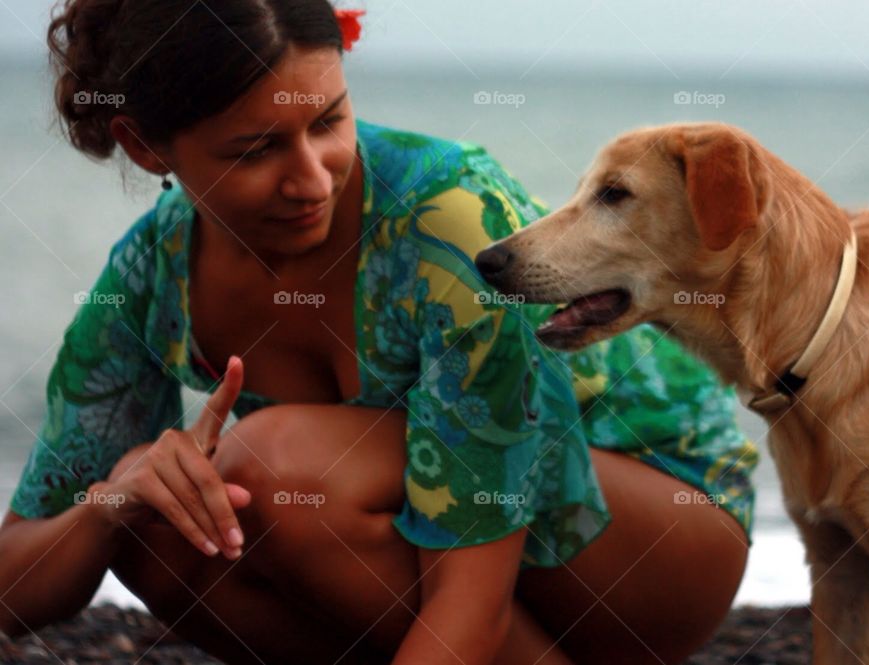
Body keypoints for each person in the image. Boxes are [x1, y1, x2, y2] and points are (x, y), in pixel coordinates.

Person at [0, 1, 758, 663]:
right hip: (433, 571)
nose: (313, 178)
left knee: (271, 464)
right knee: (161, 510)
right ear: (145, 145)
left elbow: (474, 595)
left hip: (654, 534)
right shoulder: (153, 268)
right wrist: (110, 501)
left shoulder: (448, 219)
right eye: (257, 149)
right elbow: (12, 583)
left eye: (328, 121)